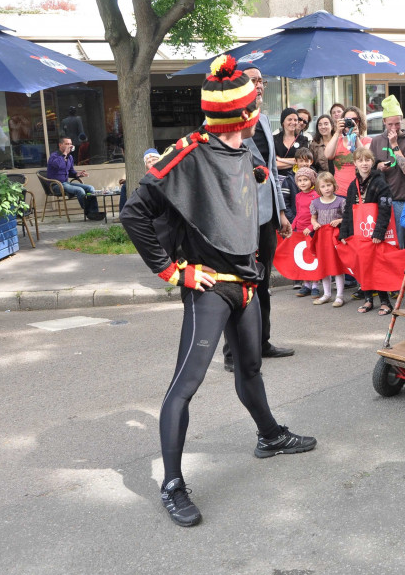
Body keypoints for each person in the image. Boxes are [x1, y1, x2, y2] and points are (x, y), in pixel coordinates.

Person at [120, 56, 316, 527]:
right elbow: (133, 214)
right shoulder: (187, 152)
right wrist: (173, 273)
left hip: (246, 285)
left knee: (250, 369)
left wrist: (261, 184)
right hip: (209, 287)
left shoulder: (244, 150)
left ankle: (269, 436)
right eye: (252, 108)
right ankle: (171, 484)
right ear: (242, 117)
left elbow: (246, 182)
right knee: (185, 385)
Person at [220, 64, 295, 372]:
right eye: (252, 80)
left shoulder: (263, 119)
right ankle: (231, 354)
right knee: (237, 286)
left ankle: (262, 342)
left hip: (266, 217)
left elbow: (273, 173)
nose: (259, 84)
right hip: (239, 218)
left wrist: (281, 213)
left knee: (263, 284)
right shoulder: (225, 123)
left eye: (262, 80)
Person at [339, 146, 393, 315]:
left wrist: (379, 232)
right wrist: (344, 233)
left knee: (377, 266)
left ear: (372, 162)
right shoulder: (352, 185)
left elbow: (385, 209)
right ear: (355, 163)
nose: (364, 163)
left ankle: (385, 302)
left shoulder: (380, 183)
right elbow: (348, 210)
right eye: (360, 160)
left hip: (374, 233)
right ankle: (368, 300)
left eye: (367, 160)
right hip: (358, 232)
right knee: (363, 266)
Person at [370, 95, 405, 250]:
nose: (394, 128)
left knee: (397, 243)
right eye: (390, 124)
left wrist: (394, 144)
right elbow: (369, 168)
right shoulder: (376, 141)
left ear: (402, 120)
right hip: (378, 200)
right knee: (378, 243)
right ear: (384, 122)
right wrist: (378, 166)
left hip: (399, 200)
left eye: (397, 123)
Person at [310, 172, 347, 307]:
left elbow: (348, 217)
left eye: (329, 185)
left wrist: (339, 220)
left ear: (334, 185)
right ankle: (326, 294)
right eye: (323, 186)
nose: (327, 188)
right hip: (322, 239)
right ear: (319, 189)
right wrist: (314, 224)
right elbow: (313, 217)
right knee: (324, 266)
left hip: (334, 238)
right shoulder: (315, 203)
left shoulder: (341, 201)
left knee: (337, 265)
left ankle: (340, 295)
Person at [46, 137, 105, 220]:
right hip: (56, 185)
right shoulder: (54, 156)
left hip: (66, 184)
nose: (69, 146)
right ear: (60, 145)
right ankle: (90, 212)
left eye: (70, 144)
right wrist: (64, 154)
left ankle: (94, 211)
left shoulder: (70, 157)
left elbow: (71, 172)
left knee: (90, 188)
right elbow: (58, 165)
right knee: (80, 190)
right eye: (67, 144)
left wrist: (78, 174)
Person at [325, 106, 371, 197]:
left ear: (359, 122)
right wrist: (337, 132)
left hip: (360, 193)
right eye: (347, 120)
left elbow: (365, 158)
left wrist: (356, 137)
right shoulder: (337, 141)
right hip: (339, 192)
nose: (351, 122)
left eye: (354, 120)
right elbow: (328, 155)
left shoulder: (367, 141)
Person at [293, 167, 320, 297]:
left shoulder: (316, 196)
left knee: (313, 257)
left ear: (312, 181)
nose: (302, 183)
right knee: (303, 257)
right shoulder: (298, 196)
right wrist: (292, 226)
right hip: (299, 231)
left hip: (312, 230)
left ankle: (315, 285)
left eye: (305, 180)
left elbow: (318, 215)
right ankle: (306, 284)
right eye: (300, 180)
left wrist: (310, 227)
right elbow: (298, 213)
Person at [118, 147, 160, 212]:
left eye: (154, 159)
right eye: (149, 162)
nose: (152, 163)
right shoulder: (146, 181)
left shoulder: (169, 173)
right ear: (146, 166)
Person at [273, 107, 309, 176]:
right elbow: (273, 164)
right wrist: (296, 162)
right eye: (290, 119)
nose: (293, 122)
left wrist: (280, 159)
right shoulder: (274, 139)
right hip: (278, 179)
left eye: (295, 120)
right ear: (283, 122)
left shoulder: (303, 139)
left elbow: (304, 161)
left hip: (298, 180)